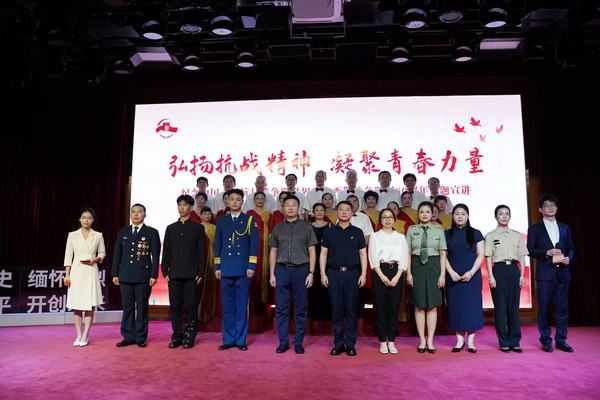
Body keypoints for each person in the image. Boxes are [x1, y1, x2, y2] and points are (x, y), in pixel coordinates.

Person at [269, 194, 317, 354]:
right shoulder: (277, 228)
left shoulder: (306, 227)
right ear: (283, 208)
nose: (290, 207)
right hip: (281, 270)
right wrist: (272, 274)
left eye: (293, 205)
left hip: (301, 270)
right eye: (287, 205)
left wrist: (311, 272)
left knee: (300, 308)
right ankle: (283, 342)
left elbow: (312, 250)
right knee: (281, 309)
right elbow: (273, 251)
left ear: (298, 208)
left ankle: (298, 342)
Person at [527, 193, 575, 353]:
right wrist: (546, 252)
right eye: (546, 205)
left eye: (553, 205)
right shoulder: (534, 228)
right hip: (545, 275)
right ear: (540, 209)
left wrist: (568, 258)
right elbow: (530, 250)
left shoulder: (565, 227)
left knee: (562, 309)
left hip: (563, 274)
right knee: (544, 309)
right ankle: (546, 340)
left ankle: (561, 340)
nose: (550, 208)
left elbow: (571, 248)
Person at [320, 201, 367, 357]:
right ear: (337, 212)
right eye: (341, 209)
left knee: (351, 310)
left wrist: (363, 274)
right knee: (337, 310)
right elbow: (323, 254)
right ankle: (339, 344)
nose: (344, 212)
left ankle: (351, 344)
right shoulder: (329, 232)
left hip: (353, 274)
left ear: (352, 213)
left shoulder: (358, 232)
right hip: (334, 274)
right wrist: (323, 274)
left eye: (348, 209)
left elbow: (363, 254)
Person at [214, 189, 259, 351]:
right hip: (226, 268)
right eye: (231, 199)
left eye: (237, 199)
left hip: (242, 269)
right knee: (227, 306)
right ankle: (228, 339)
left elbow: (254, 245)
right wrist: (217, 266)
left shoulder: (249, 220)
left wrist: (251, 266)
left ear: (242, 202)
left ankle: (240, 340)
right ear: (227, 201)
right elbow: (218, 244)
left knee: (241, 306)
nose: (234, 202)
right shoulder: (221, 221)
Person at [112, 203, 161, 348]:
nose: (136, 214)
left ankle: (140, 337)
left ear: (145, 215)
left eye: (139, 212)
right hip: (125, 274)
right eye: (133, 212)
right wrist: (115, 273)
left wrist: (154, 275)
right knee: (127, 307)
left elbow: (156, 256)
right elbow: (117, 254)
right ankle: (128, 336)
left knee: (142, 307)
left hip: (143, 276)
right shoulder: (123, 232)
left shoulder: (152, 232)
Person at [162, 195, 206, 349]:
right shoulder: (170, 228)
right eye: (179, 205)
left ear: (191, 207)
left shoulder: (198, 228)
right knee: (175, 306)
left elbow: (202, 252)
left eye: (185, 205)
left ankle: (189, 336)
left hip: (191, 274)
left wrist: (200, 273)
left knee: (191, 306)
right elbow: (166, 252)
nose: (182, 208)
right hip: (174, 274)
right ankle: (177, 336)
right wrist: (165, 271)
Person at [484, 204, 527, 353]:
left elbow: (522, 256)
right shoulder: (490, 235)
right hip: (499, 270)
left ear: (510, 216)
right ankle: (504, 342)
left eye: (507, 213)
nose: (504, 216)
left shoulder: (517, 235)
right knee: (501, 308)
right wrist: (491, 276)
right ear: (495, 217)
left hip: (514, 270)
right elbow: (488, 257)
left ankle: (515, 342)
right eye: (501, 214)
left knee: (514, 308)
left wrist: (522, 275)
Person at [406, 201, 447, 354]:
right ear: (418, 214)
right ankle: (422, 340)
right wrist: (408, 273)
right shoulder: (412, 229)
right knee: (418, 305)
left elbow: (443, 254)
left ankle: (430, 340)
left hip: (434, 266)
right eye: (421, 211)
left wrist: (442, 275)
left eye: (427, 212)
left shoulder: (439, 230)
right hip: (416, 266)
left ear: (432, 214)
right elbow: (407, 253)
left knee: (432, 306)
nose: (424, 214)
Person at [444, 204, 485, 353]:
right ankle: (459, 340)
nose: (460, 216)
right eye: (457, 214)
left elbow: (481, 254)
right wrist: (451, 272)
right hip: (453, 276)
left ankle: (471, 341)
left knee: (472, 306)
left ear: (468, 216)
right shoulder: (446, 234)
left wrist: (471, 272)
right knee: (456, 306)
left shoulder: (476, 233)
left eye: (463, 214)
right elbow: (443, 256)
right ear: (452, 216)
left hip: (472, 276)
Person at [63, 207, 106, 347]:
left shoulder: (98, 235)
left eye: (89, 218)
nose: (86, 220)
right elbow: (68, 256)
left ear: (93, 220)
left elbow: (102, 252)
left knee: (88, 306)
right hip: (76, 273)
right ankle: (78, 334)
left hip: (90, 271)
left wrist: (95, 259)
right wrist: (67, 275)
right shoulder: (72, 235)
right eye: (84, 217)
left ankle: (86, 334)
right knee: (77, 306)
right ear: (80, 219)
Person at [368, 209, 409, 354]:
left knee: (393, 309)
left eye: (390, 217)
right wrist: (382, 275)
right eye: (384, 217)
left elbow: (404, 258)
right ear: (380, 220)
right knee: (380, 309)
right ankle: (382, 342)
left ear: (394, 220)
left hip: (396, 272)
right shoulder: (375, 236)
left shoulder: (401, 237)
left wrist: (397, 277)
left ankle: (391, 341)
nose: (387, 220)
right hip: (379, 272)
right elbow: (372, 258)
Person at [246, 192, 272, 313]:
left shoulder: (269, 214)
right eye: (258, 198)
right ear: (254, 200)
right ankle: (251, 304)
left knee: (264, 271)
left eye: (262, 198)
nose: (260, 200)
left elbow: (271, 232)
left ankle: (264, 305)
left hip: (265, 248)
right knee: (253, 272)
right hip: (252, 247)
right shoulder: (249, 213)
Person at [309, 203, 332, 320]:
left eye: (321, 210)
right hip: (311, 260)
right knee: (312, 289)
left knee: (326, 287)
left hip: (326, 260)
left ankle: (326, 316)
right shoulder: (308, 226)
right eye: (316, 210)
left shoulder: (330, 225)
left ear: (325, 212)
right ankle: (313, 316)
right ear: (313, 212)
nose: (319, 212)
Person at [198, 206, 218, 323]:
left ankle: (210, 311)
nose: (207, 216)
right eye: (204, 213)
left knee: (211, 284)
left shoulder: (215, 228)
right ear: (201, 215)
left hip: (212, 260)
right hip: (199, 260)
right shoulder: (197, 227)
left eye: (209, 213)